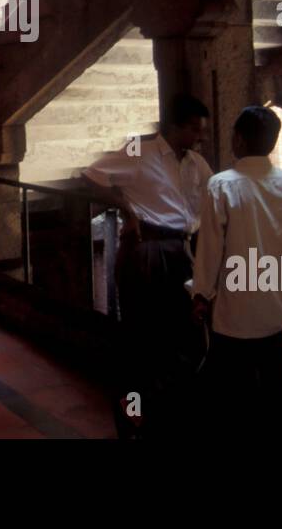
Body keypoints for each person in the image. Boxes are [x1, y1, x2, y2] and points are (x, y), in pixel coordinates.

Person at [81, 93, 213, 439]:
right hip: (146, 249)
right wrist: (126, 209)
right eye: (194, 130)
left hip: (180, 250)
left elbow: (215, 198)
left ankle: (158, 413)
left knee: (181, 335)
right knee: (142, 335)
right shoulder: (141, 150)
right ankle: (131, 412)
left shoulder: (195, 163)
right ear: (174, 127)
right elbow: (93, 174)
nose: (199, 137)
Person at [190, 106, 282, 439]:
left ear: (237, 139)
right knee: (280, 401)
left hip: (232, 320)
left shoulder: (221, 187)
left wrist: (201, 295)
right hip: (278, 319)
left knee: (229, 407)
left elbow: (209, 250)